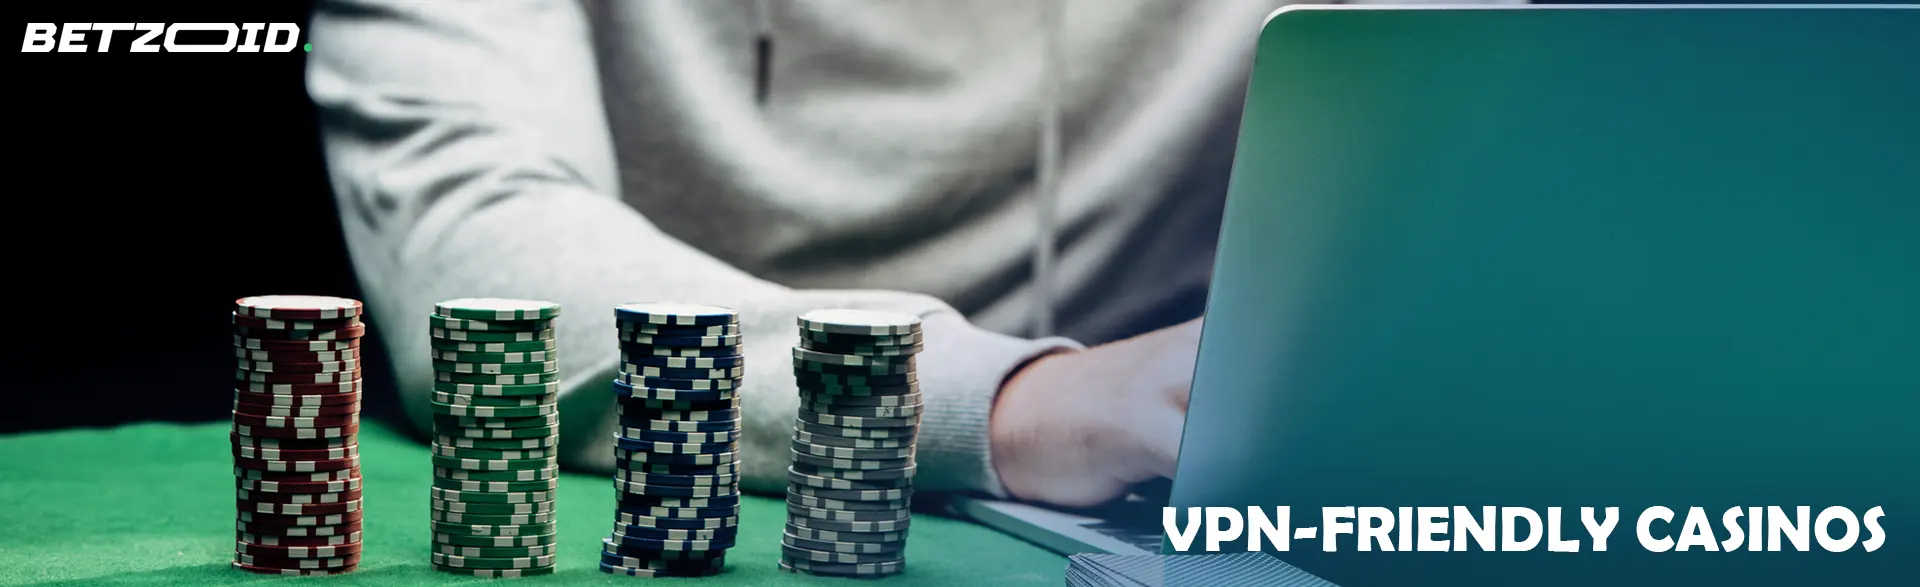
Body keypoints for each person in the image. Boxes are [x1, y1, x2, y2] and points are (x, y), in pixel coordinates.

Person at [305, 0, 1515, 509]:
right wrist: (1015, 401)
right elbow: (471, 246)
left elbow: (1501, 156)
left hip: (1186, 491)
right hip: (711, 496)